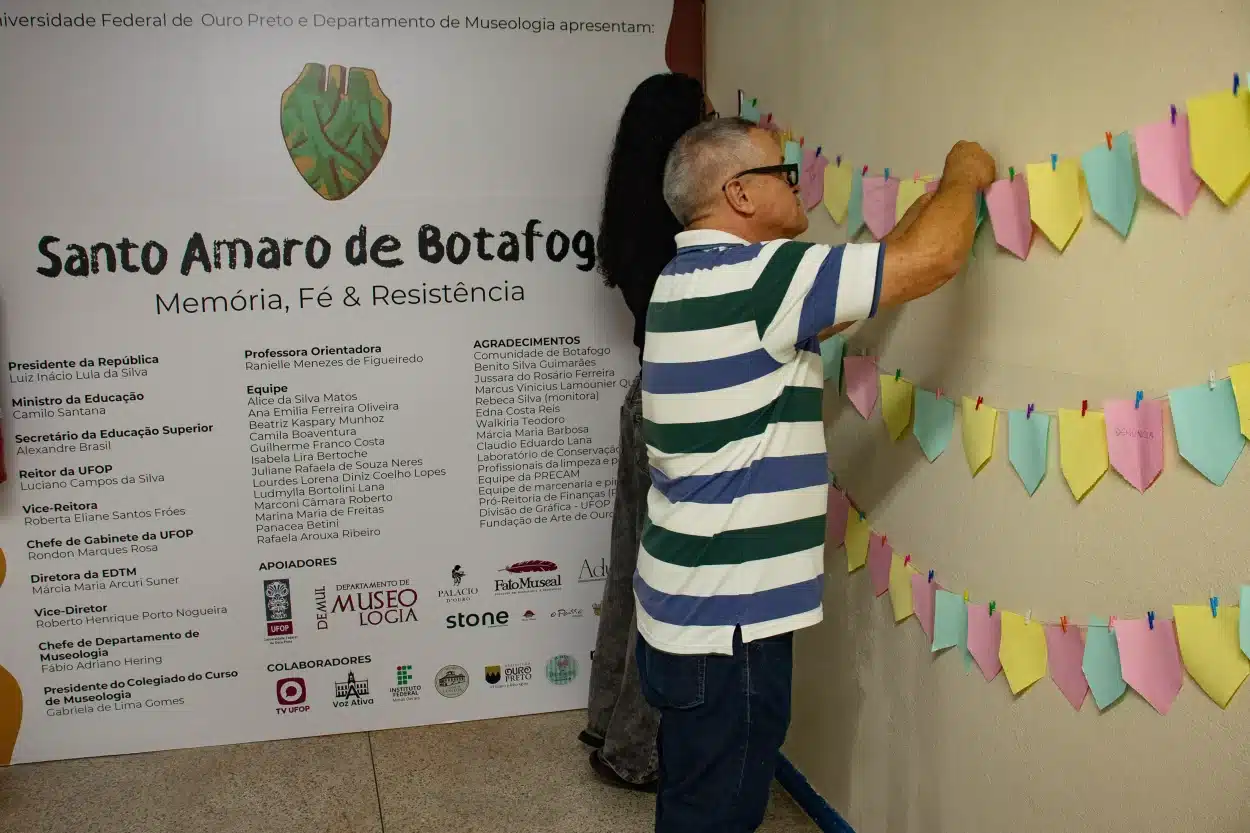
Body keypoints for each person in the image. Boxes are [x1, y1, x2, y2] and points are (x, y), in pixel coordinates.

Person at [634, 117, 995, 832]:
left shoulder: (691, 280)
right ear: (738, 194)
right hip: (726, 625)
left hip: (689, 611)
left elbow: (887, 267)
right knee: (717, 813)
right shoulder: (759, 278)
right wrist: (967, 174)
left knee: (697, 797)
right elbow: (933, 259)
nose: (795, 183)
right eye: (781, 171)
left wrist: (921, 213)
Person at [580, 72, 710, 793]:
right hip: (677, 405)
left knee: (627, 568)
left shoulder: (630, 216)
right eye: (705, 116)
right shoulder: (681, 227)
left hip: (644, 396)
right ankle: (634, 749)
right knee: (659, 588)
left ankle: (608, 721)